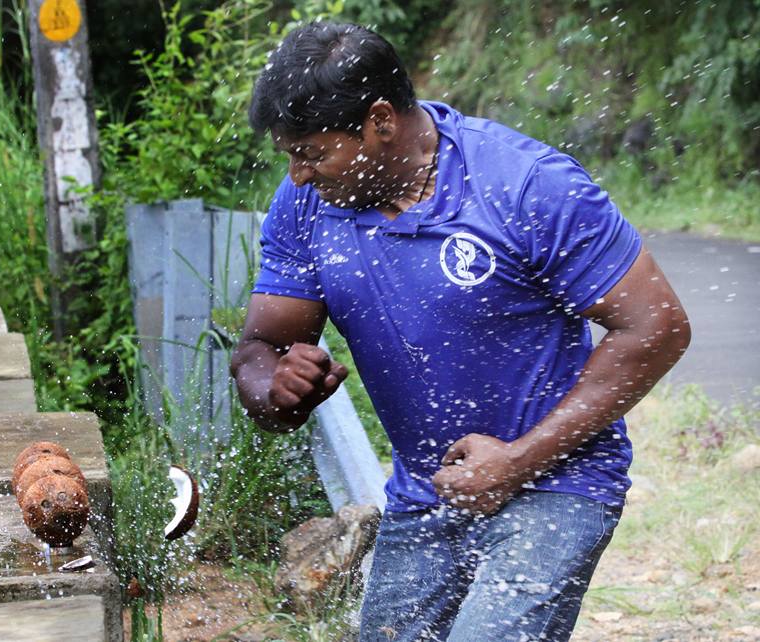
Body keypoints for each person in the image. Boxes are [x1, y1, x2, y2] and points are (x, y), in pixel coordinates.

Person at [230, 21, 691, 642]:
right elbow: (259, 350)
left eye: (311, 153)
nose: (299, 175)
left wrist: (517, 461)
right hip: (426, 495)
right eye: (290, 155)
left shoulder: (526, 185)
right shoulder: (307, 205)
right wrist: (277, 390)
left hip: (555, 482)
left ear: (381, 121)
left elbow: (657, 328)